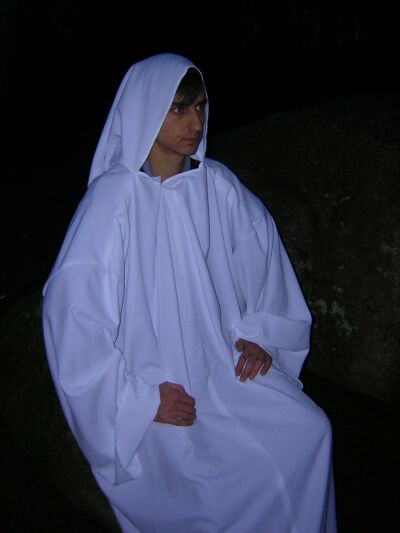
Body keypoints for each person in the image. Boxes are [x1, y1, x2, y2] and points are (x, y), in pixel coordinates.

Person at [42, 53, 336, 533]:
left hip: (225, 364)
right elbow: (72, 312)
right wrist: (138, 401)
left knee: (308, 431)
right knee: (214, 485)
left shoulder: (217, 186)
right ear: (145, 108)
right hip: (158, 381)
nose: (195, 122)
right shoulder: (113, 200)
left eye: (199, 107)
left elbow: (265, 265)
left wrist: (262, 335)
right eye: (178, 108)